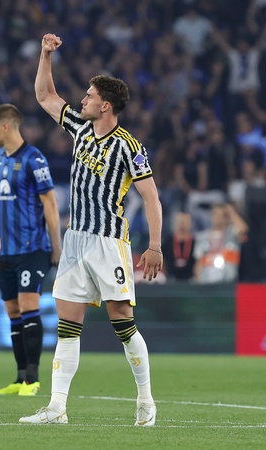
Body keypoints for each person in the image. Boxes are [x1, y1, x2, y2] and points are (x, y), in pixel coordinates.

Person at [19, 34, 163, 426]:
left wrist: (155, 245)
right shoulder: (80, 128)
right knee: (67, 326)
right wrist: (45, 55)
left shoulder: (129, 147)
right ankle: (57, 408)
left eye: (89, 95)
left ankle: (146, 402)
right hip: (76, 240)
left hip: (108, 242)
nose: (82, 100)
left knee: (123, 323)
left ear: (106, 106)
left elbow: (151, 197)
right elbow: (45, 96)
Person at [0, 103, 62, 396]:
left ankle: (33, 379)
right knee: (13, 312)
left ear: (6, 126)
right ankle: (19, 378)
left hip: (33, 248)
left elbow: (50, 204)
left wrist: (56, 246)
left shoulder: (34, 159)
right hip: (7, 251)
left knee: (29, 307)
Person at [162, 212, 196, 281]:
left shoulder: (194, 242)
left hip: (190, 278)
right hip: (170, 277)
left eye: (185, 222)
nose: (182, 225)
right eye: (180, 222)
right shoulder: (168, 241)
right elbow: (163, 259)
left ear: (190, 224)